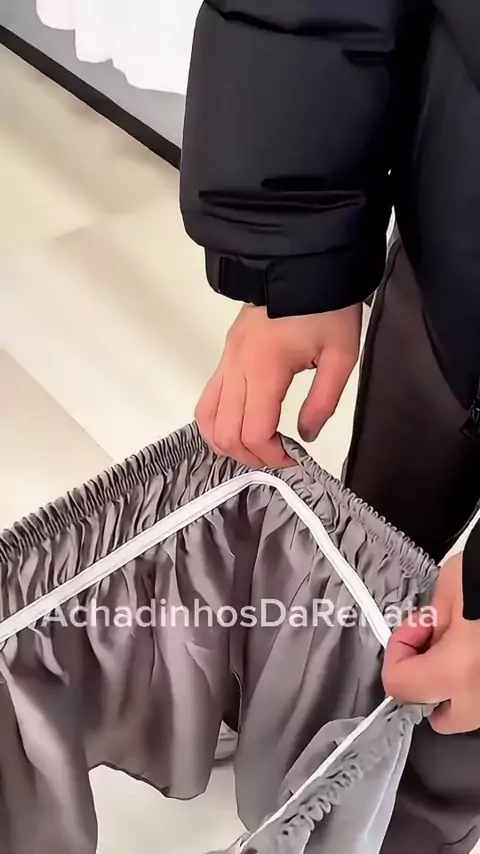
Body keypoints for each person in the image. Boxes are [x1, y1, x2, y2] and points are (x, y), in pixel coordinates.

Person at [180, 3, 480, 850]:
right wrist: (294, 257)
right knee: (371, 537)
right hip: (455, 246)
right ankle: (300, 719)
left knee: (458, 702)